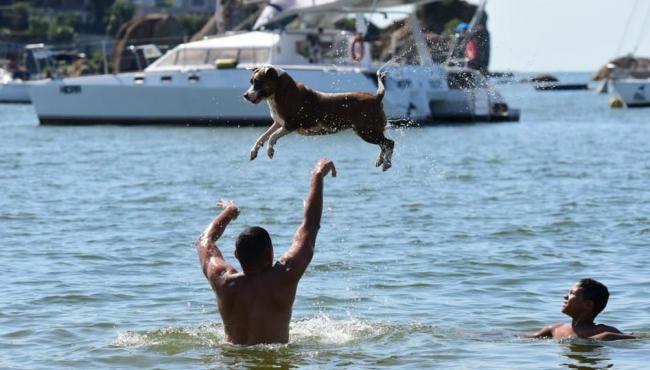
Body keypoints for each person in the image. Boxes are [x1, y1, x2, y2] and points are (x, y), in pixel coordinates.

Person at [196, 158, 336, 345]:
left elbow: (204, 242)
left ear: (237, 256)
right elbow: (310, 226)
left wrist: (229, 211)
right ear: (270, 254)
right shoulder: (284, 276)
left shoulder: (222, 280)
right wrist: (317, 174)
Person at [528, 278, 637, 341]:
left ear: (588, 304)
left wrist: (608, 336)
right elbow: (526, 338)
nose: (565, 297)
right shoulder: (555, 329)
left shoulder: (604, 332)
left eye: (571, 293)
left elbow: (636, 339)